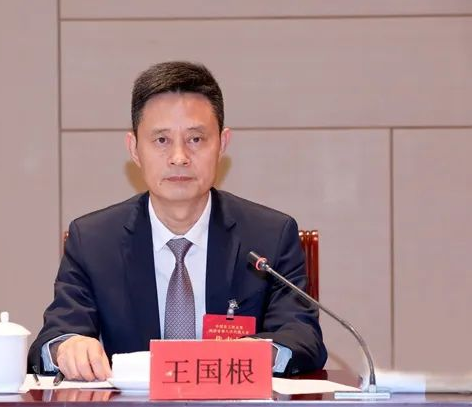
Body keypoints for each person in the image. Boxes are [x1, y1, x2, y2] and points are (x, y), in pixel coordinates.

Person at [28, 61, 327, 381]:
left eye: (196, 139)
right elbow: (52, 338)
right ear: (134, 149)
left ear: (222, 144)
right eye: (161, 140)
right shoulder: (94, 241)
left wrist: (255, 354)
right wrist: (67, 347)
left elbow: (302, 336)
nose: (179, 157)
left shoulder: (269, 236)